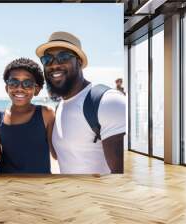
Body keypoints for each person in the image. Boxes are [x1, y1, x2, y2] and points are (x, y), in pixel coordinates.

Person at [35, 31, 126, 174]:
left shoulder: (108, 102)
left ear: (79, 61)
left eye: (63, 57)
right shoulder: (60, 107)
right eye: (47, 59)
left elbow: (122, 178)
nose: (54, 64)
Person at [0, 58, 56, 173]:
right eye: (13, 83)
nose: (19, 88)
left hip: (39, 187)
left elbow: (56, 153)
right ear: (6, 88)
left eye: (27, 84)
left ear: (37, 90)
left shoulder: (46, 114)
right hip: (7, 186)